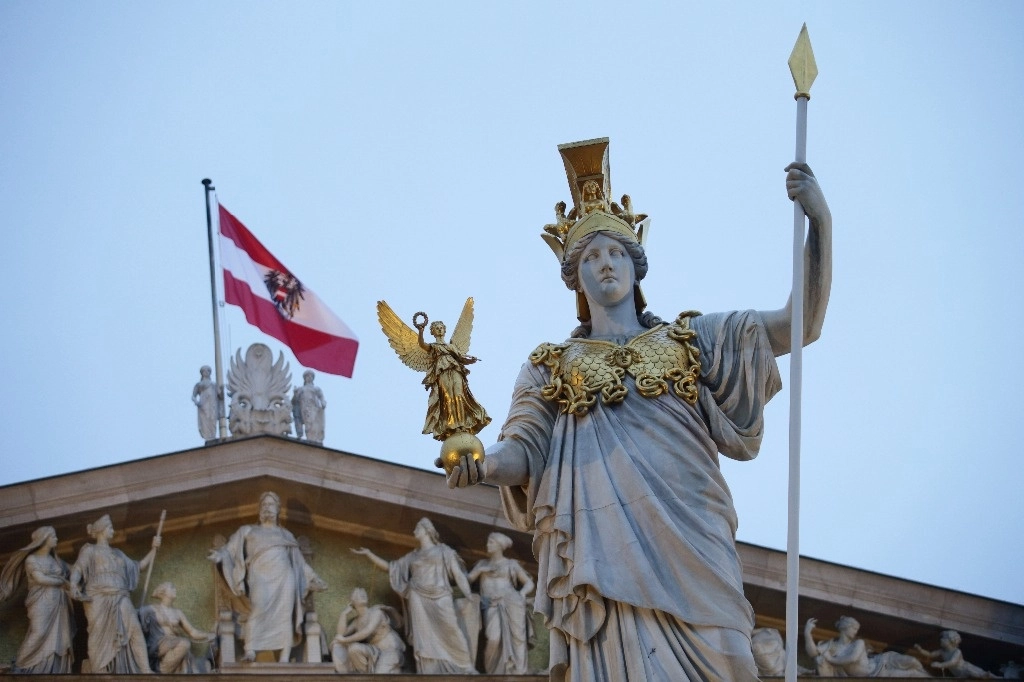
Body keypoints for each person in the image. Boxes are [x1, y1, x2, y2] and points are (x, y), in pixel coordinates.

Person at [444, 139, 833, 681]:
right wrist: (481, 461)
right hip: (606, 558)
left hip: (693, 539)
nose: (606, 265)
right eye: (592, 259)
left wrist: (820, 222)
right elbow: (525, 449)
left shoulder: (694, 338)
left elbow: (800, 325)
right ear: (576, 281)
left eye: (616, 253)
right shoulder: (552, 365)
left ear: (636, 265)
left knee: (729, 661)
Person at [208, 491, 327, 662]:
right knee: (259, 608)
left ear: (278, 509)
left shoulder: (286, 535)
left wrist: (314, 578)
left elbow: (299, 563)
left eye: (271, 505)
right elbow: (229, 550)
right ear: (259, 510)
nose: (267, 508)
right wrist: (220, 557)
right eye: (264, 505)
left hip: (285, 577)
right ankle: (250, 650)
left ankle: (284, 657)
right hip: (260, 577)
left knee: (286, 614)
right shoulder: (248, 530)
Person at [352, 517, 478, 674]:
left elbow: (458, 575)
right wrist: (369, 554)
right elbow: (391, 568)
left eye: (417, 528)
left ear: (427, 530)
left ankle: (466, 666)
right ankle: (429, 670)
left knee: (452, 630)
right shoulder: (413, 556)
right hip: (417, 597)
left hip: (441, 596)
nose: (414, 531)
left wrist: (469, 596)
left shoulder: (444, 552)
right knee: (424, 638)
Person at [70, 514, 158, 674]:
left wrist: (153, 549)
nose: (113, 530)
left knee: (135, 628)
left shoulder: (118, 554)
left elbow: (139, 566)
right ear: (101, 530)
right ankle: (99, 669)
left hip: (120, 595)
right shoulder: (90, 550)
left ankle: (145, 668)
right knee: (98, 634)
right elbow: (78, 569)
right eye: (110, 527)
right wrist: (74, 583)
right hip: (97, 597)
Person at [0, 526, 76, 674]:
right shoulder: (32, 559)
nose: (56, 539)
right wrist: (61, 581)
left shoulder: (57, 561)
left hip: (59, 603)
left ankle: (53, 669)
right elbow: (40, 578)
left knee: (59, 637)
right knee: (39, 632)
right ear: (44, 539)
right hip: (41, 601)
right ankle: (20, 666)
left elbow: (73, 569)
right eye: (53, 536)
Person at [467, 531, 535, 674]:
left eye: (491, 542)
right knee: (493, 638)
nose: (487, 545)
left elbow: (529, 583)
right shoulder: (482, 564)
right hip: (490, 605)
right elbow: (466, 581)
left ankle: (518, 671)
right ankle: (492, 673)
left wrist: (521, 594)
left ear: (499, 546)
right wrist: (479, 570)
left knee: (518, 639)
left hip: (511, 602)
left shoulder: (511, 564)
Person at [419, 318, 491, 439]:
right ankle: (451, 425)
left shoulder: (451, 347)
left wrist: (470, 360)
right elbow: (422, 344)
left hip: (455, 370)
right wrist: (421, 331)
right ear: (432, 332)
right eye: (437, 328)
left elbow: (461, 358)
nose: (440, 329)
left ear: (445, 330)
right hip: (442, 373)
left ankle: (463, 424)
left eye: (441, 327)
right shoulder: (433, 347)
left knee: (459, 395)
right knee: (448, 397)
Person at [804, 616, 928, 677]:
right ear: (844, 628)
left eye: (856, 629)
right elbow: (813, 653)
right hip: (880, 674)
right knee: (912, 674)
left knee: (913, 661)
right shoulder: (831, 645)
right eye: (853, 628)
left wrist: (831, 659)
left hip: (880, 663)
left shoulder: (858, 643)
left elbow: (852, 658)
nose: (855, 632)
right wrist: (807, 634)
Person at [138, 582, 215, 673]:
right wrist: (139, 613)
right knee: (184, 643)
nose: (175, 589)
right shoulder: (151, 609)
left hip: (173, 644)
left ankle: (162, 671)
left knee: (184, 646)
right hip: (156, 644)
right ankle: (161, 671)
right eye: (172, 588)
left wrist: (208, 635)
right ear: (164, 592)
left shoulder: (178, 613)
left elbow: (192, 632)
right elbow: (136, 618)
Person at [330, 587, 406, 674]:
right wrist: (344, 614)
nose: (362, 594)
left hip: (390, 650)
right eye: (358, 594)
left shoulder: (376, 612)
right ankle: (363, 676)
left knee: (380, 674)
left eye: (364, 593)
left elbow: (367, 631)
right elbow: (341, 634)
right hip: (375, 651)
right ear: (352, 602)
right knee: (353, 648)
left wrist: (345, 640)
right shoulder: (356, 622)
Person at [914, 630, 999, 678]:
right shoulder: (942, 651)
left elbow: (952, 662)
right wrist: (920, 649)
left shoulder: (957, 651)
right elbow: (930, 654)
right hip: (959, 675)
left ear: (951, 641)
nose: (941, 640)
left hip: (965, 668)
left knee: (980, 673)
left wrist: (940, 665)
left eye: (943, 639)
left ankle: (997, 678)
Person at [292, 370, 326, 444]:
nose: (309, 377)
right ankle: (310, 439)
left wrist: (323, 402)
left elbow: (321, 396)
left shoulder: (316, 388)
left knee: (313, 422)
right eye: (307, 376)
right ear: (305, 378)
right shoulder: (301, 389)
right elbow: (294, 401)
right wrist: (295, 393)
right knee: (308, 423)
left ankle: (313, 439)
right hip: (304, 408)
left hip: (313, 407)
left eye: (311, 376)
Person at [192, 365, 219, 442]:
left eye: (208, 371)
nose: (206, 372)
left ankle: (212, 435)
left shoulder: (213, 384)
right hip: (203, 404)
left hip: (212, 404)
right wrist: (196, 402)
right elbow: (193, 396)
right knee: (205, 419)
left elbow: (219, 395)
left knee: (212, 418)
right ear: (202, 373)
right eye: (204, 371)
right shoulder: (199, 384)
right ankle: (207, 436)